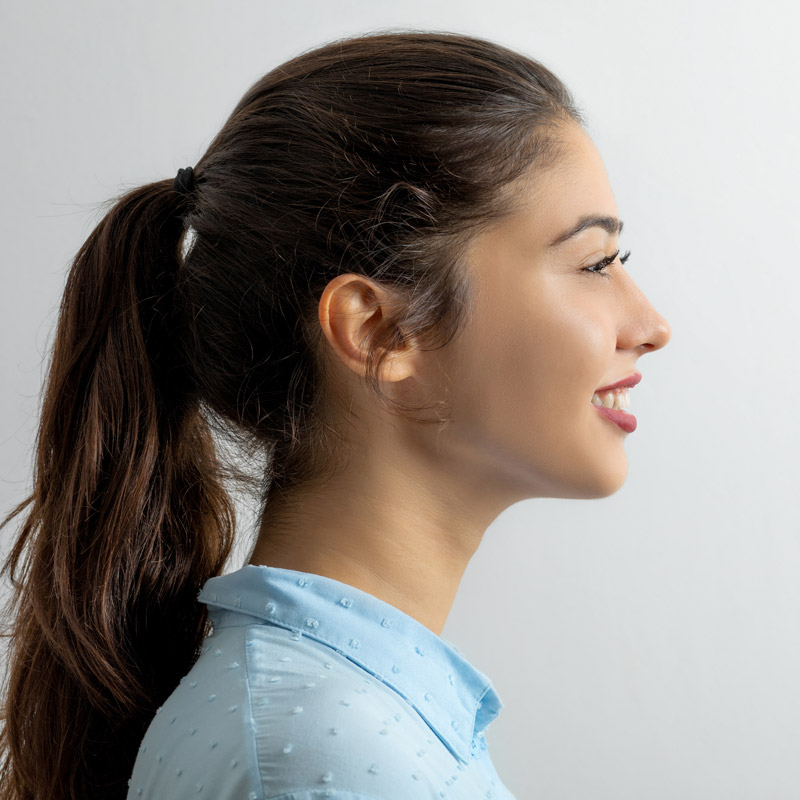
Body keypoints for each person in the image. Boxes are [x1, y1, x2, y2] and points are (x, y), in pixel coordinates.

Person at [0, 29, 671, 800]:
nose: (652, 324)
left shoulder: (337, 728)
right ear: (379, 332)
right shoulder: (326, 758)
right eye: (594, 264)